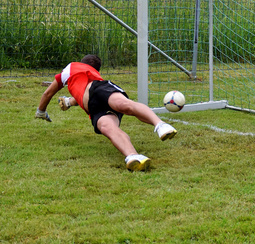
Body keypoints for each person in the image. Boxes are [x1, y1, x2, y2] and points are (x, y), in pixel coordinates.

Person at [35, 54, 177, 171]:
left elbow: (48, 94)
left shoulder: (72, 67)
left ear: (83, 63)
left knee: (124, 105)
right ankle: (133, 157)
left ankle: (160, 125)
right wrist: (68, 102)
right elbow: (82, 95)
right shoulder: (85, 78)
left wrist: (41, 111)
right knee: (108, 127)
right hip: (94, 107)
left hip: (99, 89)